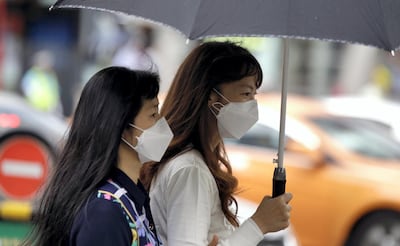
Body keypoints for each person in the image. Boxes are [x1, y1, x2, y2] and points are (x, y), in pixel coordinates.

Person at [141, 41, 293, 246]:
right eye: (246, 93)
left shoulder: (191, 163)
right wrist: (259, 225)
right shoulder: (190, 170)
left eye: (254, 95)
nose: (252, 105)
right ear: (211, 95)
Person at [25, 66, 170, 246]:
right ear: (122, 127)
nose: (161, 123)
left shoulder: (130, 196)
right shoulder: (104, 213)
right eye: (153, 114)